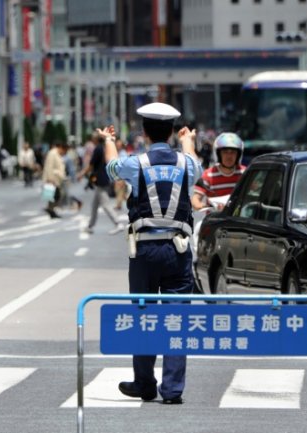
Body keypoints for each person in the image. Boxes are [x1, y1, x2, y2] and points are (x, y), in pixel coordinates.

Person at [99, 102, 202, 405]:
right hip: (178, 249)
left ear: (144, 132)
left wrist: (108, 140)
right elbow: (195, 168)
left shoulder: (136, 163)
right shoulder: (186, 163)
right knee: (177, 318)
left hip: (144, 250)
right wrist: (188, 143)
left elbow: (110, 167)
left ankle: (145, 383)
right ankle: (172, 389)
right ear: (171, 131)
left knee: (143, 316)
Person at [80, 135, 125, 235]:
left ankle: (118, 223)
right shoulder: (104, 148)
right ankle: (90, 226)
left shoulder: (98, 149)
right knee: (95, 205)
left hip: (100, 180)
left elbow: (91, 165)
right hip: (104, 178)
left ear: (96, 139)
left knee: (105, 204)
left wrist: (82, 174)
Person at [191, 132, 246, 211]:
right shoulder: (208, 175)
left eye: (233, 152)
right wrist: (205, 206)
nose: (229, 156)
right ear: (218, 154)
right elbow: (195, 200)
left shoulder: (244, 173)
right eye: (225, 152)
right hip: (214, 220)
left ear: (239, 155)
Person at [42, 142, 68, 218]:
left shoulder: (56, 154)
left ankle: (51, 210)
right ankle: (50, 209)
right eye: (64, 151)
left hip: (56, 179)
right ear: (61, 148)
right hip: (52, 179)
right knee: (56, 195)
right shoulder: (52, 153)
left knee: (53, 196)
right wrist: (50, 179)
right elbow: (49, 166)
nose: (64, 153)